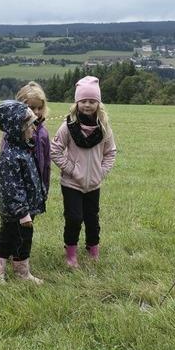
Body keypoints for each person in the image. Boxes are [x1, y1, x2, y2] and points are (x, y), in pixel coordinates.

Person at [50, 76, 117, 268]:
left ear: (98, 103)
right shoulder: (68, 127)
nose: (87, 105)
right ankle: (71, 253)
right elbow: (55, 150)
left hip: (94, 184)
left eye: (92, 101)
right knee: (74, 218)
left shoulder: (104, 128)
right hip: (71, 184)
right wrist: (71, 169)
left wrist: (101, 172)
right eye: (84, 101)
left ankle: (92, 248)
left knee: (92, 218)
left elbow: (110, 152)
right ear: (77, 102)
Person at [0, 101, 46, 284]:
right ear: (18, 128)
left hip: (23, 209)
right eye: (30, 126)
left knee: (21, 239)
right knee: (8, 239)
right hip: (16, 212)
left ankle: (21, 271)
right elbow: (12, 188)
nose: (33, 130)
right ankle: (3, 273)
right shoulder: (11, 157)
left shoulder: (23, 149)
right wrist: (22, 212)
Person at [1, 81, 51, 204]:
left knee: (29, 221)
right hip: (16, 189)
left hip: (35, 188)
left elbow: (47, 163)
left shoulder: (43, 133)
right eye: (32, 107)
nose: (37, 112)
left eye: (40, 108)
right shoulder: (12, 133)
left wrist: (44, 187)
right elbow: (5, 164)